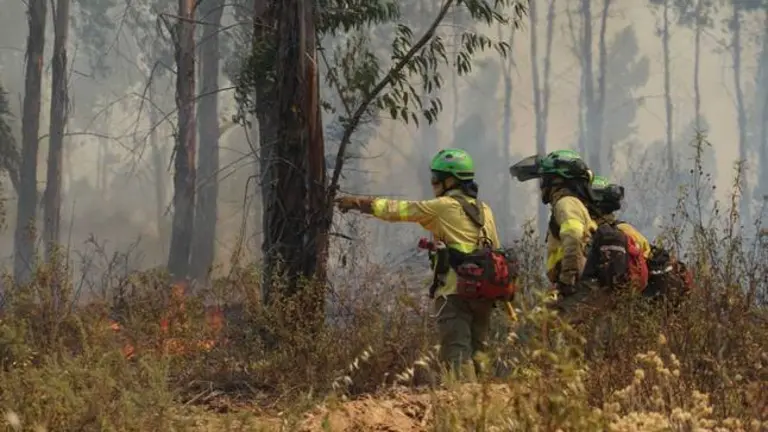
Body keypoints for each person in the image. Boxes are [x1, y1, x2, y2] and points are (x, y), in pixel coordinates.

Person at [335, 148, 504, 380]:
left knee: (456, 353)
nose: (433, 183)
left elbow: (398, 211)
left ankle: (464, 405)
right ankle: (485, 409)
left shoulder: (444, 206)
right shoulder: (486, 210)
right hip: (485, 294)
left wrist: (356, 202)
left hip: (455, 292)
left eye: (436, 178)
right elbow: (495, 250)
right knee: (479, 354)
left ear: (450, 180)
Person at [509, 150, 599, 321]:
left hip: (575, 284)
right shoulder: (573, 204)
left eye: (545, 178)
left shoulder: (565, 203)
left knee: (536, 330)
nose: (543, 185)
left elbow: (573, 236)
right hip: (578, 284)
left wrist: (567, 280)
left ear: (557, 179)